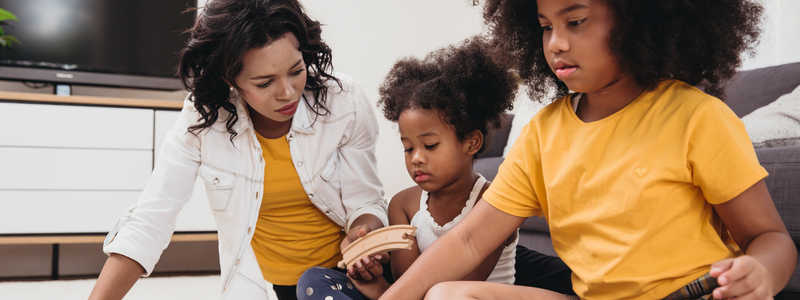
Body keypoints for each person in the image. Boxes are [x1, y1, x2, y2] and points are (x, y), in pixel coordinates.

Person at [379, 0, 798, 299]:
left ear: (638, 20)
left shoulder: (697, 117)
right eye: (545, 26)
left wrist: (760, 272)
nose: (556, 43)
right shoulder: (544, 133)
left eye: (575, 21)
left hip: (691, 293)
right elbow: (470, 242)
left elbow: (770, 238)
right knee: (447, 295)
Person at [87, 1, 388, 299]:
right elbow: (151, 219)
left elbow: (366, 202)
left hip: (352, 276)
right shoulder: (202, 119)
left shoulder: (342, 101)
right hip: (287, 287)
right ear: (229, 79)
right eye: (265, 82)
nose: (287, 92)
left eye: (296, 70)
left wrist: (362, 237)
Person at [295, 37, 532, 300]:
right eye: (408, 148)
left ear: (471, 142)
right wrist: (373, 277)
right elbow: (408, 286)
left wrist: (381, 292)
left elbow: (455, 289)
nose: (416, 158)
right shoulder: (404, 205)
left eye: (429, 145)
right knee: (314, 281)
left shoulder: (493, 203)